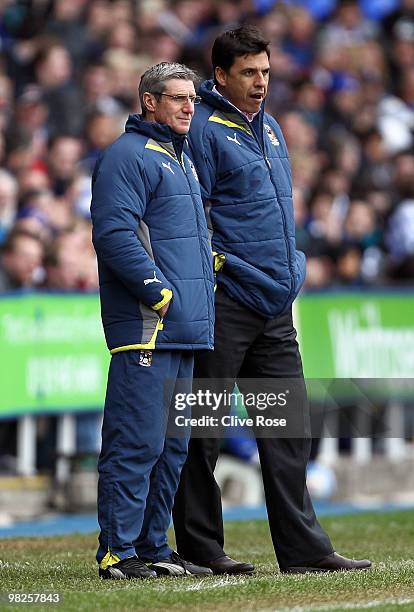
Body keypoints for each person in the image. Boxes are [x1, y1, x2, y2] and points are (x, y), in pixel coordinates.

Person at [172, 26, 372, 575]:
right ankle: (200, 548)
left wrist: (294, 268)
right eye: (248, 74)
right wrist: (218, 272)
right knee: (201, 430)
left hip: (275, 306)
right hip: (227, 302)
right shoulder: (205, 131)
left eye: (265, 71)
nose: (261, 82)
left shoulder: (272, 127)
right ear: (220, 76)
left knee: (287, 429)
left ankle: (304, 550)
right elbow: (192, 214)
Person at [91, 62, 215, 580]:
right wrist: (159, 294)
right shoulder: (127, 156)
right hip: (150, 326)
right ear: (149, 101)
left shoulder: (181, 160)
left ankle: (152, 548)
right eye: (178, 98)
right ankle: (117, 551)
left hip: (185, 329)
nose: (190, 107)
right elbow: (114, 234)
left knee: (172, 448)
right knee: (137, 441)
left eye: (193, 99)